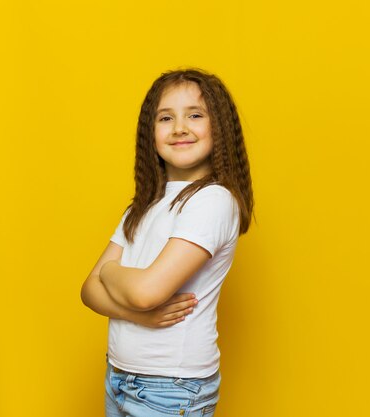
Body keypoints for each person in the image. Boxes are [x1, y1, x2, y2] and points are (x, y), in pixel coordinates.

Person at [81, 67, 253, 417]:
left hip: (171, 389)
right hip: (120, 376)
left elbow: (146, 292)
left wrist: (111, 271)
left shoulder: (213, 200)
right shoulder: (143, 205)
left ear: (219, 127)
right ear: (150, 133)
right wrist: (137, 315)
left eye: (195, 115)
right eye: (165, 118)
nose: (179, 128)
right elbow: (88, 290)